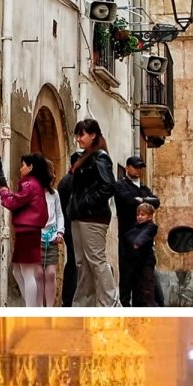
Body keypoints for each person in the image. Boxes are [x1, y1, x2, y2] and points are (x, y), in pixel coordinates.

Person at [66, 118, 120, 307]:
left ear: (93, 135)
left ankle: (110, 302)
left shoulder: (100, 157)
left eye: (81, 134)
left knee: (96, 261)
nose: (78, 138)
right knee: (82, 263)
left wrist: (85, 203)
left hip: (93, 216)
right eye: (78, 134)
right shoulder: (85, 157)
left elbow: (109, 186)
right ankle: (83, 304)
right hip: (80, 216)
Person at [0, 153, 51, 307]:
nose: (20, 168)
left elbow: (15, 202)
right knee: (18, 271)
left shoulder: (29, 185)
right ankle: (32, 305)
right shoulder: (37, 185)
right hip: (29, 231)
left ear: (30, 167)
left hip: (27, 231)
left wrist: (4, 193)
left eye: (23, 165)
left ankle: (31, 308)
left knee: (27, 273)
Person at [114, 156, 161, 306]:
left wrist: (140, 199)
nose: (138, 170)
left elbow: (156, 201)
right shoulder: (121, 184)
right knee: (127, 278)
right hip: (127, 237)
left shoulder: (143, 187)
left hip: (143, 242)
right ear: (127, 168)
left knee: (144, 280)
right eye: (135, 167)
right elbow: (127, 200)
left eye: (140, 167)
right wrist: (144, 200)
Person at [121, 202, 158, 306]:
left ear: (150, 216)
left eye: (143, 215)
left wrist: (138, 243)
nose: (140, 217)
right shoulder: (134, 229)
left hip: (145, 263)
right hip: (134, 264)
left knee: (147, 290)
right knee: (137, 292)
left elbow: (144, 235)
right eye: (138, 215)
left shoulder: (151, 227)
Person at [39, 158, 65, 307]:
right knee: (38, 275)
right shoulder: (34, 192)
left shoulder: (54, 194)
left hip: (52, 238)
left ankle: (50, 307)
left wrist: (60, 232)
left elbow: (59, 214)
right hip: (36, 238)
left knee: (51, 273)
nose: (54, 176)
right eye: (51, 173)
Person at [56, 169, 78, 307]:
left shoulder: (65, 180)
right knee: (75, 262)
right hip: (72, 226)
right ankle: (70, 299)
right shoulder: (71, 181)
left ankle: (69, 299)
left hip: (69, 226)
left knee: (73, 262)